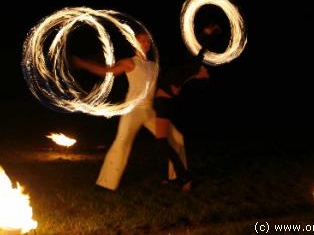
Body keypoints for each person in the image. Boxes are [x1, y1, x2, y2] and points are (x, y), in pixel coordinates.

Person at [72, 30, 187, 190]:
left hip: (150, 111)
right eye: (141, 41)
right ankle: (105, 184)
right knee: (122, 142)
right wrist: (84, 64)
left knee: (177, 138)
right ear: (134, 43)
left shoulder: (154, 66)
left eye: (147, 41)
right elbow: (105, 71)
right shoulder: (129, 62)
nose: (145, 44)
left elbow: (162, 86)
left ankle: (177, 177)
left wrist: (177, 85)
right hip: (133, 110)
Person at [154, 23, 220, 191]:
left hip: (163, 103)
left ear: (200, 75)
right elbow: (198, 52)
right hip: (164, 103)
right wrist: (206, 34)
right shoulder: (190, 73)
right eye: (206, 69)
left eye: (205, 71)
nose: (206, 69)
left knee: (162, 142)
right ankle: (167, 176)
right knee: (165, 142)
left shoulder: (192, 70)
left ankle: (184, 176)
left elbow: (198, 54)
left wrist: (207, 34)